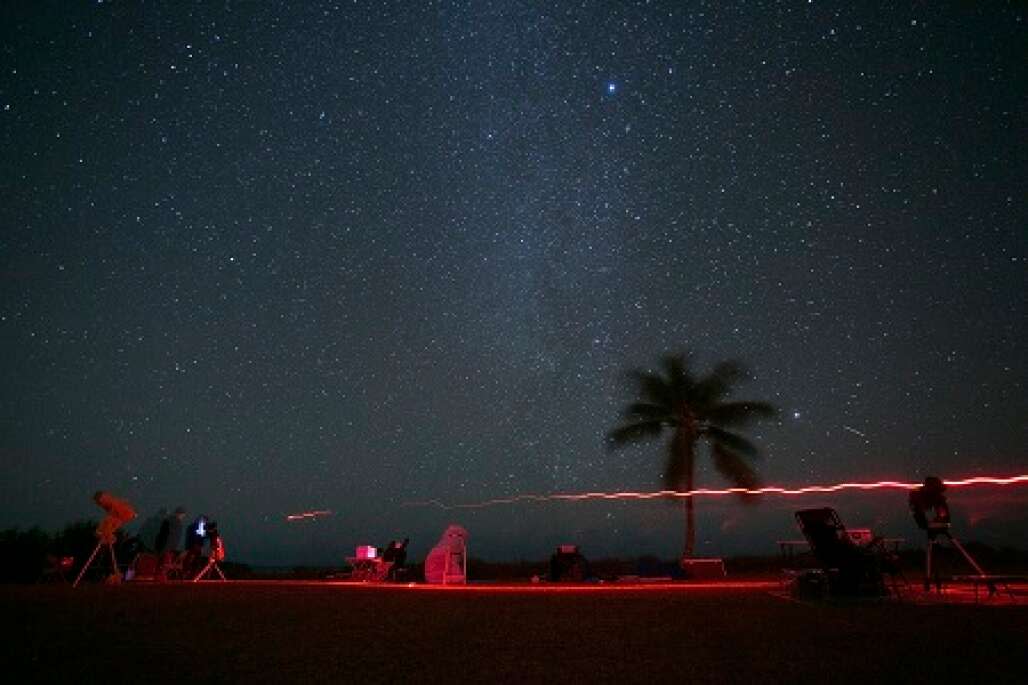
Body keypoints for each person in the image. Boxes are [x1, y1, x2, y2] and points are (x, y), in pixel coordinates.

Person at [155, 506, 186, 578]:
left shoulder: (167, 520)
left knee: (162, 563)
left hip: (163, 545)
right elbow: (174, 536)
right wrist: (173, 547)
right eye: (183, 515)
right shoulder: (176, 522)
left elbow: (162, 534)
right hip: (168, 546)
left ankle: (159, 576)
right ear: (180, 514)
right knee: (165, 564)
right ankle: (161, 578)